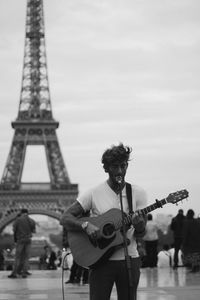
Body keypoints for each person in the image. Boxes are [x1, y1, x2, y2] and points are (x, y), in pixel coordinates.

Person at [61, 143, 147, 300]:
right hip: (100, 261)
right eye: (115, 166)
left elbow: (141, 233)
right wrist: (85, 225)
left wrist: (139, 225)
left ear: (127, 165)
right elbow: (65, 217)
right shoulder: (93, 193)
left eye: (123, 165)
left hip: (130, 259)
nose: (120, 171)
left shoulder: (138, 193)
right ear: (106, 168)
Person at [8, 208, 36, 278]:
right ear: (27, 213)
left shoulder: (18, 220)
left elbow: (14, 230)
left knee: (18, 257)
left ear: (21, 212)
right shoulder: (31, 220)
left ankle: (14, 273)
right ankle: (24, 273)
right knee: (26, 257)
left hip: (20, 240)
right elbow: (34, 231)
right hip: (28, 240)